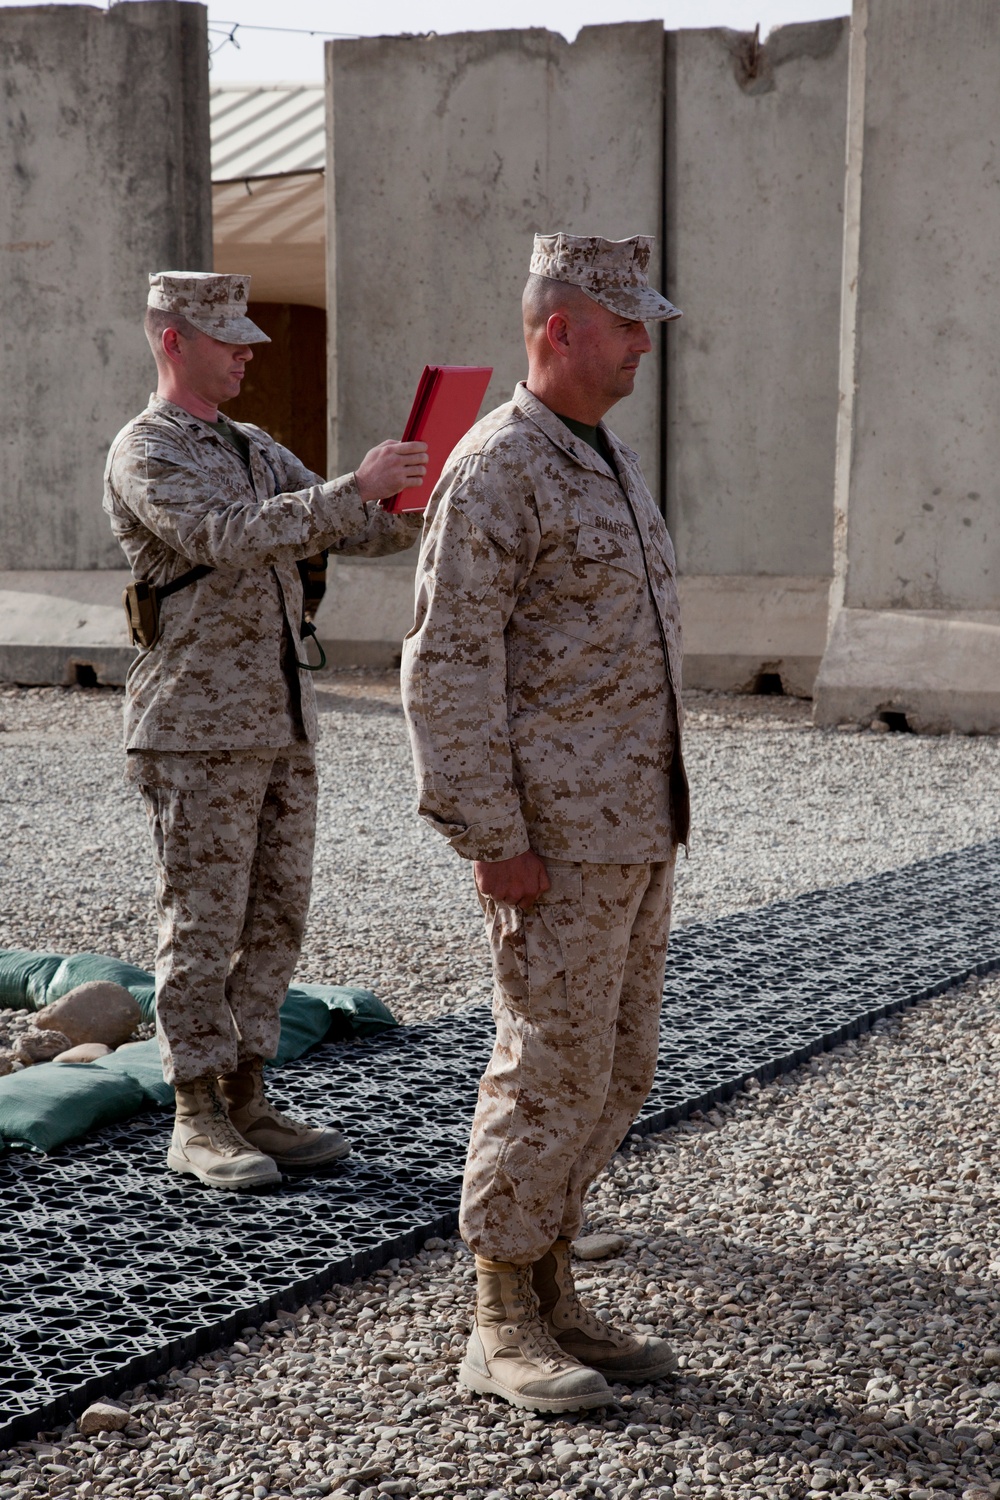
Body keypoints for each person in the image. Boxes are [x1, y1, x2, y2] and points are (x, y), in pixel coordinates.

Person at [401, 233, 689, 1413]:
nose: (641, 344)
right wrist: (490, 835)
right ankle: (498, 1318)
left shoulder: (605, 455)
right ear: (556, 328)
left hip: (634, 827)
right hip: (555, 841)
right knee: (543, 1070)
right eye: (624, 324)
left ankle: (554, 1284)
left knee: (614, 1069)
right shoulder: (499, 466)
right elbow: (446, 666)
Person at [104, 271, 427, 1193]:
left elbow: (354, 528)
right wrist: (348, 489)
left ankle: (247, 1091)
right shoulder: (147, 450)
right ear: (173, 341)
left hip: (278, 719)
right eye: (227, 338)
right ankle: (195, 1113)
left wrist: (408, 488)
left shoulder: (251, 444)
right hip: (194, 724)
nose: (247, 351)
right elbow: (222, 535)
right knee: (203, 921)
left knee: (274, 916)